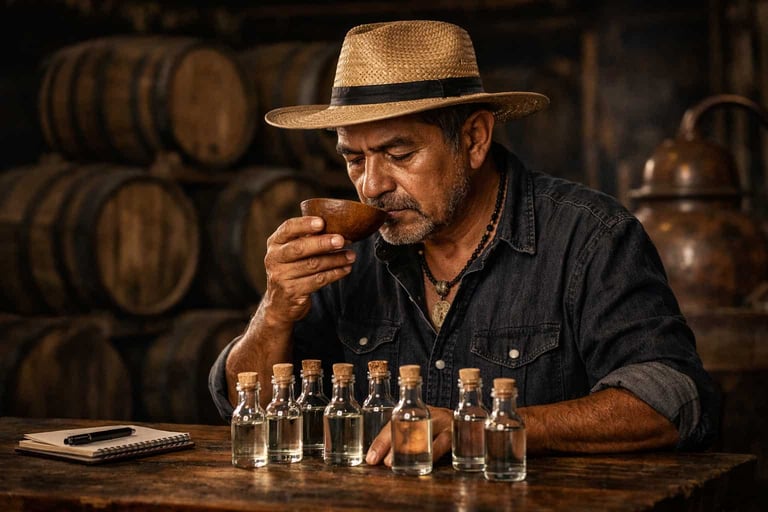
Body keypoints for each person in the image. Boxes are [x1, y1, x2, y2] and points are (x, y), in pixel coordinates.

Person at [209, 20, 718, 465]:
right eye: (354, 158)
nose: (371, 186)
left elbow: (671, 400)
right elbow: (242, 405)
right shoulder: (348, 252)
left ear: (474, 138)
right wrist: (275, 310)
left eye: (399, 153)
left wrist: (483, 426)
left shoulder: (590, 236)